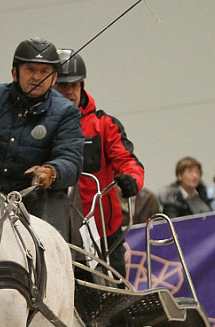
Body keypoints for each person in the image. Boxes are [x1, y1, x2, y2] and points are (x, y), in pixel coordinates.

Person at [0, 37, 84, 241]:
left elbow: (71, 159)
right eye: (30, 69)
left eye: (44, 72)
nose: (37, 77)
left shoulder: (66, 112)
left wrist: (51, 172)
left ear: (54, 78)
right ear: (15, 73)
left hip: (35, 201)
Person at [52, 49, 144, 273]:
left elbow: (127, 160)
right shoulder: (42, 129)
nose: (70, 92)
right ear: (52, 87)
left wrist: (132, 180)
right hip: (59, 235)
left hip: (104, 231)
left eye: (75, 85)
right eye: (63, 86)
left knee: (116, 296)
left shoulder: (104, 124)